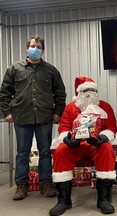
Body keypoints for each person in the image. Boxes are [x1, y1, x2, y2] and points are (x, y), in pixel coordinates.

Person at [0, 35, 66, 200]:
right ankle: (21, 186)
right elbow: (5, 93)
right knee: (22, 152)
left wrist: (58, 112)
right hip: (22, 117)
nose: (35, 49)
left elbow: (60, 93)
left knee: (45, 152)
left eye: (38, 47)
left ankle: (46, 183)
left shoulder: (51, 70)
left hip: (44, 117)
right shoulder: (14, 69)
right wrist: (6, 112)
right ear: (27, 48)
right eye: (32, 46)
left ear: (42, 50)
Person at [49, 77, 117, 216]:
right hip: (76, 145)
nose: (89, 94)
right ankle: (64, 200)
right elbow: (63, 128)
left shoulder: (105, 106)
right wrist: (68, 139)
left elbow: (111, 127)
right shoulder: (70, 108)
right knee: (61, 151)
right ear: (79, 93)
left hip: (95, 145)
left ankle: (103, 200)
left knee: (106, 149)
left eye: (93, 91)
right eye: (86, 91)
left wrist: (102, 137)